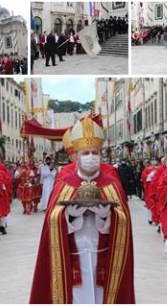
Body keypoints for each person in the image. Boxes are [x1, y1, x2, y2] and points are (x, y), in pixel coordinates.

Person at [29, 117, 134, 304]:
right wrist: (69, 217)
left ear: (102, 156)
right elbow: (52, 220)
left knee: (101, 297)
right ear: (75, 157)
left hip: (103, 252)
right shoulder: (64, 184)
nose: (91, 157)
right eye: (85, 153)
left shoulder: (112, 185)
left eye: (95, 152)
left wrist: (106, 218)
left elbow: (123, 220)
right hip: (72, 251)